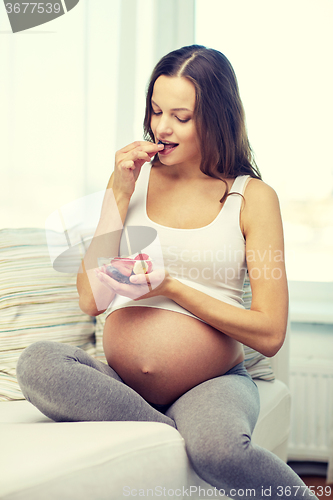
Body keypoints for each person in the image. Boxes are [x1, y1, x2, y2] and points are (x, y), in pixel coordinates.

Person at [17, 45, 318, 499]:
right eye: (156, 111)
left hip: (210, 383)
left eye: (181, 116)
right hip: (121, 384)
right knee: (37, 362)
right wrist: (118, 195)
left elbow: (270, 333)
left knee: (221, 452)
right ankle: (171, 428)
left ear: (217, 118)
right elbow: (90, 299)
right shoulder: (131, 180)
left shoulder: (251, 197)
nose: (161, 127)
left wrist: (170, 286)